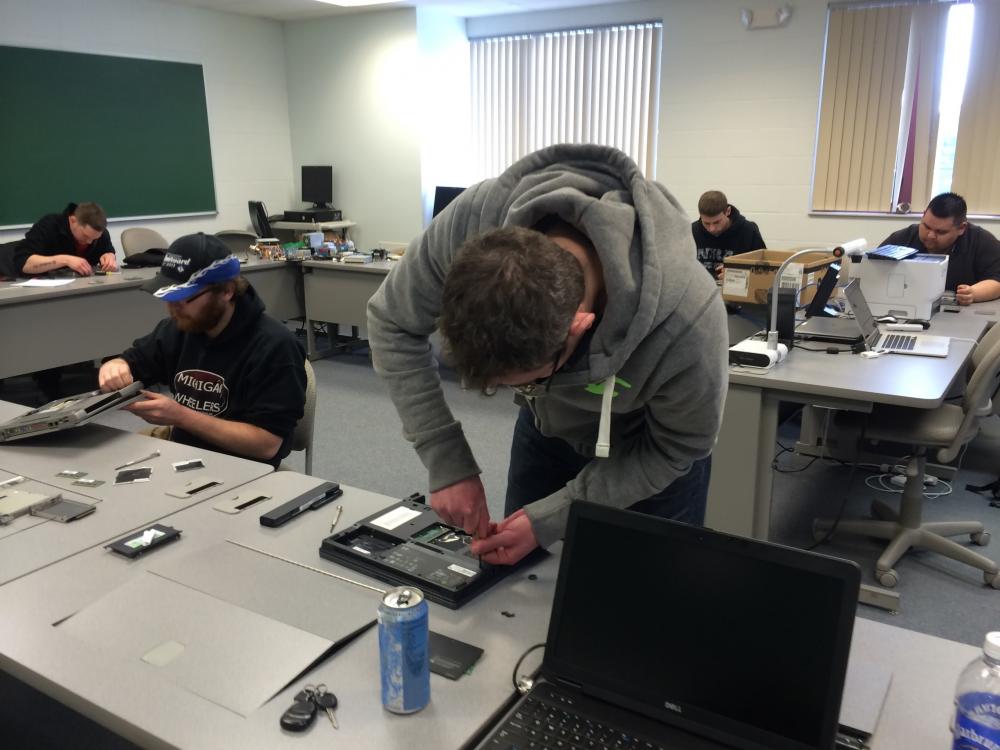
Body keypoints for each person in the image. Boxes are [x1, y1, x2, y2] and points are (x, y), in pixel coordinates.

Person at [367, 144, 729, 566]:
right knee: (517, 587)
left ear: (579, 325)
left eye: (531, 381)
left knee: (649, 602)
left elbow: (677, 447)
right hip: (546, 432)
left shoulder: (687, 315)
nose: (518, 391)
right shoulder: (472, 224)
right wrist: (446, 458)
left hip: (647, 448)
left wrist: (553, 518)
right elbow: (392, 322)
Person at [98, 233, 306, 468]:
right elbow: (136, 360)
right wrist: (116, 366)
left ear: (226, 291)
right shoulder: (181, 327)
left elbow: (266, 445)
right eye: (168, 296)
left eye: (183, 297)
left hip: (242, 468)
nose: (172, 308)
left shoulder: (275, 347)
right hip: (183, 452)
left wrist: (181, 416)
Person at [880, 193, 1000, 305]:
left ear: (961, 228)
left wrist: (973, 293)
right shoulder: (903, 238)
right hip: (908, 305)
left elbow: (996, 280)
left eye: (941, 232)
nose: (930, 235)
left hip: (961, 312)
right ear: (923, 215)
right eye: (926, 226)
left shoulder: (980, 241)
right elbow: (874, 267)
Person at [13, 202, 118, 276]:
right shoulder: (49, 226)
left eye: (95, 238)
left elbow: (107, 251)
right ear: (73, 220)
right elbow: (23, 263)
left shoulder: (99, 234)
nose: (89, 242)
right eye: (85, 236)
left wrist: (109, 256)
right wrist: (65, 260)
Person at [691, 190, 766, 279]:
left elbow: (764, 269)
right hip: (701, 290)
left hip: (737, 290)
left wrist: (737, 273)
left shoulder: (748, 230)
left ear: (728, 211)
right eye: (706, 223)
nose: (711, 229)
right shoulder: (691, 231)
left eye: (716, 222)